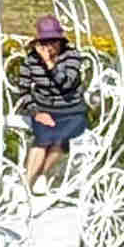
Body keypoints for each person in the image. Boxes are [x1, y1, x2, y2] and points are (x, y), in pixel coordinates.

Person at [18, 15, 88, 192]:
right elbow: (23, 90)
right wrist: (36, 112)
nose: (50, 46)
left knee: (59, 137)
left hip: (70, 109)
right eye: (45, 41)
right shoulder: (31, 60)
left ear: (60, 41)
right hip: (44, 109)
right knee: (42, 137)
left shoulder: (71, 56)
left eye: (54, 41)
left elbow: (67, 83)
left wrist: (50, 64)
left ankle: (42, 173)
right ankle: (26, 184)